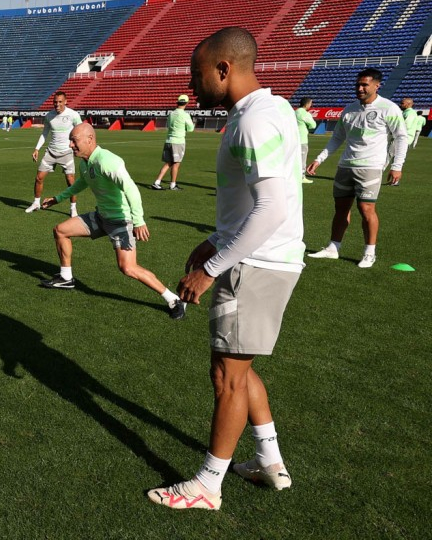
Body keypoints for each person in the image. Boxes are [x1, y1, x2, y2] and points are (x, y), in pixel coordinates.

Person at [148, 27, 305, 511]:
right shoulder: (269, 109)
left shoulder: (253, 122)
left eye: (198, 76)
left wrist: (213, 266)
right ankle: (269, 461)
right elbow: (252, 205)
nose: (192, 88)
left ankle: (207, 485)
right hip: (260, 258)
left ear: (224, 69)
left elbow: (272, 208)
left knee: (226, 375)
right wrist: (214, 238)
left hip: (254, 265)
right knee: (240, 367)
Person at [39, 122, 186, 320]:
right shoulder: (85, 163)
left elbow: (131, 188)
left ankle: (173, 299)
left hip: (120, 221)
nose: (71, 145)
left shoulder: (107, 161)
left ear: (90, 139)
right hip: (101, 217)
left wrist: (139, 221)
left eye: (74, 141)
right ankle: (66, 278)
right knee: (61, 230)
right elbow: (81, 183)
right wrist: (58, 199)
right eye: (70, 141)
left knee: (128, 268)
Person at [305, 68, 409, 269]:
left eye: (364, 85)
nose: (360, 88)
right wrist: (319, 159)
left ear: (377, 86)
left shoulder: (388, 108)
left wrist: (397, 166)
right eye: (358, 84)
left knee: (366, 208)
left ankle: (370, 252)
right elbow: (337, 137)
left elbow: (401, 137)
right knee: (341, 208)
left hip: (370, 167)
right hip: (345, 165)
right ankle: (333, 248)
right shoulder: (350, 109)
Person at [26, 91, 82, 217]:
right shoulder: (49, 115)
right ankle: (36, 203)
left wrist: (78, 148)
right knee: (39, 178)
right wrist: (37, 149)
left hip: (66, 153)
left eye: (60, 102)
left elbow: (81, 131)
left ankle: (73, 208)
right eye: (55, 102)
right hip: (51, 152)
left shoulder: (73, 115)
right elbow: (45, 133)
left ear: (65, 102)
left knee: (71, 182)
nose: (57, 104)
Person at [150, 94, 195, 190]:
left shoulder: (171, 113)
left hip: (169, 140)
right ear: (186, 103)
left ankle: (157, 182)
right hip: (178, 141)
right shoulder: (185, 115)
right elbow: (191, 128)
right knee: (176, 164)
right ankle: (172, 184)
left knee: (168, 163)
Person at [295, 97, 317, 184]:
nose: (311, 105)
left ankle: (295, 175)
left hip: (294, 139)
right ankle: (301, 177)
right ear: (307, 104)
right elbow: (313, 125)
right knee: (302, 160)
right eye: (311, 103)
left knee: (295, 159)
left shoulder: (295, 112)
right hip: (302, 140)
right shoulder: (304, 113)